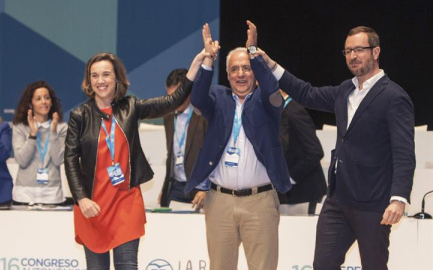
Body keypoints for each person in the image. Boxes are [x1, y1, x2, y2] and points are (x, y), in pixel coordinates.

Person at [263, 26, 415, 269]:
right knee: (322, 264)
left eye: (359, 50)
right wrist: (272, 66)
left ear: (376, 52)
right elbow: (306, 93)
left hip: (373, 203)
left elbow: (404, 152)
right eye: (347, 51)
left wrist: (398, 198)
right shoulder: (345, 90)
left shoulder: (394, 97)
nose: (352, 56)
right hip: (337, 200)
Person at [64, 50, 209, 269]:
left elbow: (172, 101)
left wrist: (196, 65)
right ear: (88, 80)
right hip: (92, 206)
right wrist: (81, 198)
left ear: (116, 78)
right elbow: (70, 160)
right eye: (95, 76)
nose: (100, 81)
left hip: (125, 203)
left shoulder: (130, 106)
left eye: (106, 74)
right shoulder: (79, 116)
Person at [184, 21, 291, 270]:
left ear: (254, 73)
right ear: (228, 74)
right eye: (234, 69)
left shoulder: (268, 102)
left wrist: (254, 53)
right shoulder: (218, 98)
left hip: (260, 201)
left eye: (246, 68)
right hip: (219, 201)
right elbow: (197, 98)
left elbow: (272, 87)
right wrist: (208, 61)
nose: (241, 74)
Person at [11, 81, 69, 205]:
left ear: (51, 101)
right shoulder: (20, 128)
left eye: (47, 98)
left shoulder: (62, 128)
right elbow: (22, 160)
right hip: (24, 193)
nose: (44, 102)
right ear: (30, 103)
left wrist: (52, 133)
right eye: (38, 98)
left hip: (52, 193)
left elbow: (59, 159)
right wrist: (32, 135)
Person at [158, 68, 208, 210]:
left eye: (177, 96)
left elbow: (212, 155)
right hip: (176, 187)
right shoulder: (167, 115)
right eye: (170, 96)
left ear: (188, 92)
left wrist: (205, 188)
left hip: (199, 188)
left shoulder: (203, 115)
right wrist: (165, 188)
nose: (173, 101)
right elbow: (172, 154)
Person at [278, 90, 327, 215]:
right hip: (292, 193)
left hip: (305, 191)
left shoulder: (294, 112)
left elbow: (315, 152)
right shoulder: (283, 111)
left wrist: (290, 178)